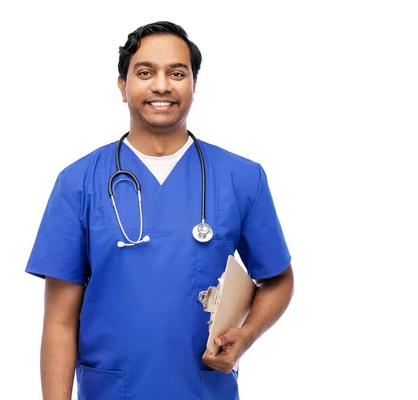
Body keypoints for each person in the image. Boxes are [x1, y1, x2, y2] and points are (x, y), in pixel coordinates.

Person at [25, 20, 294, 400]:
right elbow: (59, 320)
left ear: (194, 85)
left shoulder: (241, 178)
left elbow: (279, 279)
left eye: (177, 73)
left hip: (204, 390)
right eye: (145, 72)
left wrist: (246, 336)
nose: (162, 85)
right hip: (112, 391)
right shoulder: (79, 182)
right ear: (123, 86)